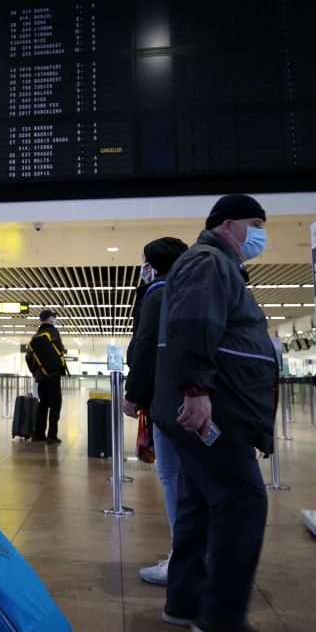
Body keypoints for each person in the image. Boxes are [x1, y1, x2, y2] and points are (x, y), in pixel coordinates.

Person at [154, 193, 283, 632]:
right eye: (255, 223)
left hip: (213, 404)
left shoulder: (215, 263)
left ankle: (185, 601)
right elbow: (193, 325)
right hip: (214, 408)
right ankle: (224, 618)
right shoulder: (209, 260)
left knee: (200, 501)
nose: (261, 234)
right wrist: (196, 389)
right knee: (242, 500)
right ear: (229, 225)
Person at [122, 237, 189, 586]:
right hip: (194, 397)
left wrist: (133, 393)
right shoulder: (190, 289)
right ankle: (196, 555)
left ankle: (183, 559)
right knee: (189, 481)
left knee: (172, 477)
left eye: (144, 261)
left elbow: (146, 344)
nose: (142, 268)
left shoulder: (158, 293)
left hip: (167, 398)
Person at [30, 309, 68, 443]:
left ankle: (38, 434)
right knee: (55, 403)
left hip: (41, 375)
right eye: (53, 317)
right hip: (53, 373)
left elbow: (29, 357)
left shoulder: (36, 335)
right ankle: (52, 435)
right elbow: (61, 349)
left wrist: (36, 372)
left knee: (43, 403)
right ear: (49, 319)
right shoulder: (52, 332)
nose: (54, 319)